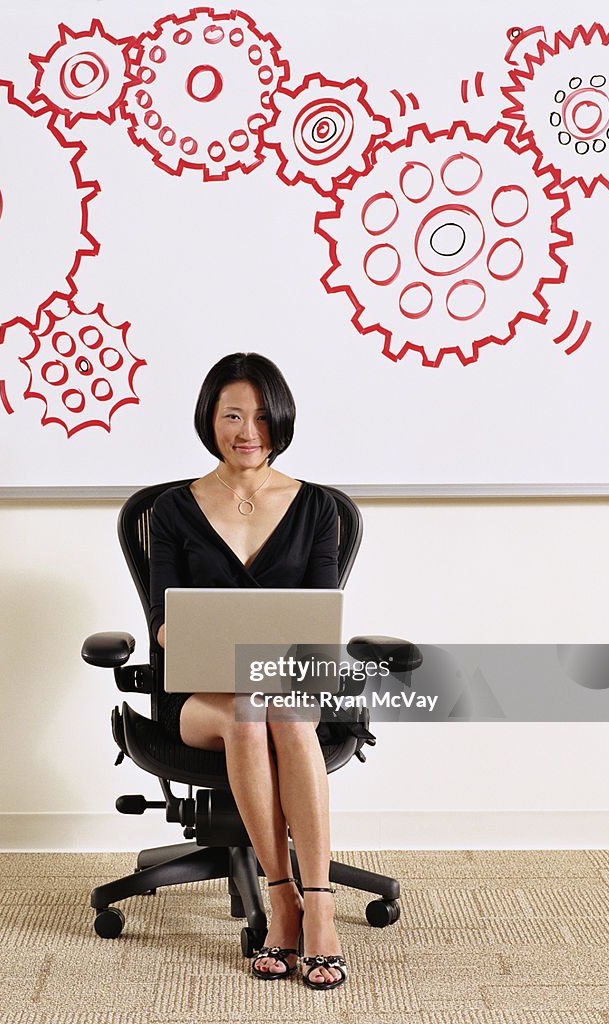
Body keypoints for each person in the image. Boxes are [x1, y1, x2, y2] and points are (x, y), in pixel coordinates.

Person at [149, 352, 347, 990]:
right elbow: (162, 620)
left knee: (275, 707)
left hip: (290, 687)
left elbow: (318, 619)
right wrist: (209, 652)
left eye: (261, 415)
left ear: (281, 419)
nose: (247, 430)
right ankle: (282, 898)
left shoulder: (317, 508)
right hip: (201, 695)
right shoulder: (174, 511)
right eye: (232, 414)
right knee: (244, 710)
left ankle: (315, 905)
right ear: (210, 418)